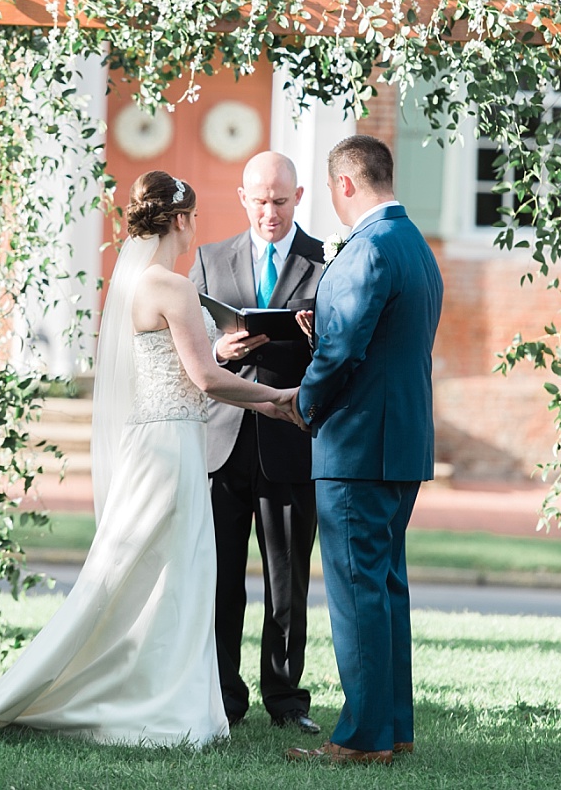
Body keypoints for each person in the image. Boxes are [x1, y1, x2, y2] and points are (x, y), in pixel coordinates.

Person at [0, 171, 298, 745]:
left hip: (151, 442)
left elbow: (179, 362)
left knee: (141, 571)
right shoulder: (175, 285)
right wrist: (278, 400)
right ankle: (165, 704)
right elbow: (206, 380)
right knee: (171, 573)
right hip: (172, 448)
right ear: (180, 220)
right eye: (193, 220)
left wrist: (217, 352)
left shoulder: (134, 282)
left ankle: (156, 692)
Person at [286, 136, 443, 766]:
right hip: (401, 441)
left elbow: (343, 353)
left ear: (345, 183)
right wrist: (323, 322)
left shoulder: (368, 246)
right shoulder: (414, 246)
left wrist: (302, 403)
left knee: (357, 593)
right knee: (385, 589)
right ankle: (393, 728)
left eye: (331, 189)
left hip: (358, 447)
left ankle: (359, 738)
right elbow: (378, 337)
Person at [189, 152, 323, 733]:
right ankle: (224, 695)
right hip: (223, 443)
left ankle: (287, 699)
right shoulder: (208, 260)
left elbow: (343, 353)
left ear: (299, 198)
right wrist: (220, 353)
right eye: (260, 200)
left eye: (280, 200)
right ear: (243, 198)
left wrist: (318, 343)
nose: (270, 211)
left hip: (290, 440)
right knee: (220, 579)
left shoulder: (327, 262)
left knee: (287, 581)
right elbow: (189, 348)